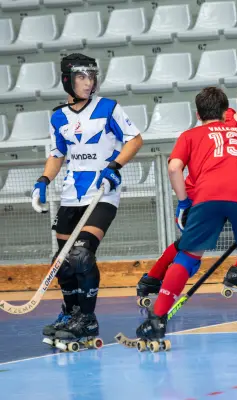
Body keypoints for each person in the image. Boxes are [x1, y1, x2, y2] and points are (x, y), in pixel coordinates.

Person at [135, 85, 237, 342]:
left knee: (188, 256)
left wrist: (184, 203)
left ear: (198, 115)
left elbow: (174, 168)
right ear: (226, 112)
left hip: (206, 196)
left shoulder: (189, 135)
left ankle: (156, 320)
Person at [33, 53, 143, 343]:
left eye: (91, 76)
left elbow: (135, 139)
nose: (88, 82)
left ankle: (89, 320)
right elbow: (57, 155)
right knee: (63, 262)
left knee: (81, 255)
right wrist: (43, 180)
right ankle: (71, 314)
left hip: (102, 193)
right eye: (81, 77)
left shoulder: (109, 108)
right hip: (71, 196)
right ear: (68, 80)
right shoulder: (58, 116)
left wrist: (114, 167)